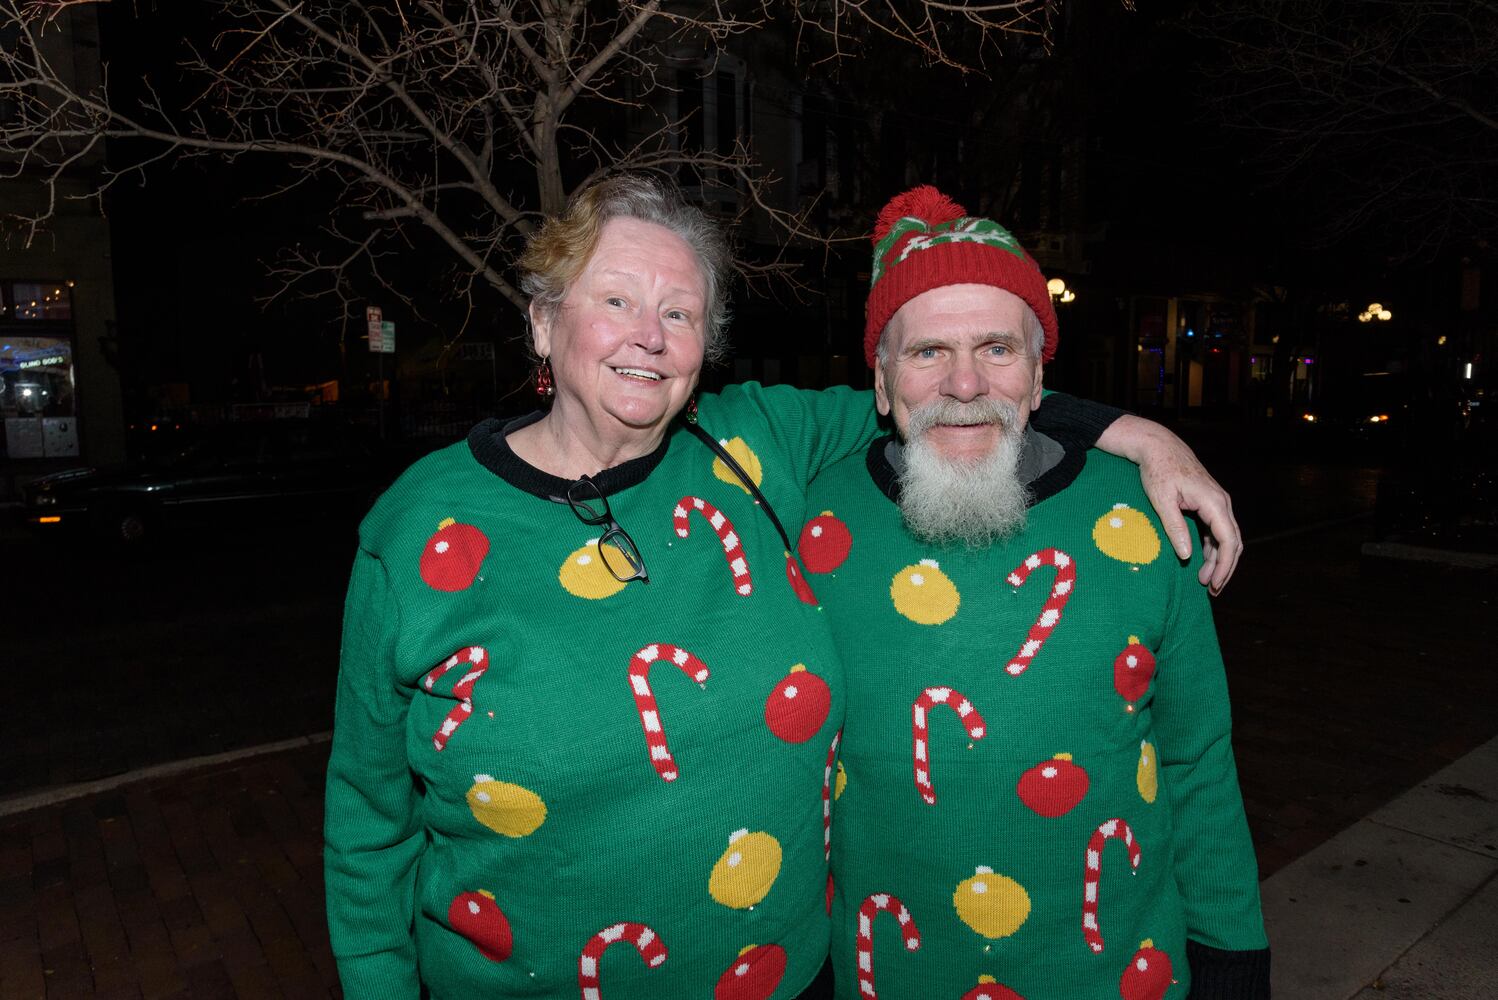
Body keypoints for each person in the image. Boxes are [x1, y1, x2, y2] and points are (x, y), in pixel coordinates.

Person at [323, 174, 1244, 1000]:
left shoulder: (755, 447)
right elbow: (368, 827)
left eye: (679, 313)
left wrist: (1139, 433)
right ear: (541, 321)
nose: (650, 335)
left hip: (784, 984)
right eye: (616, 300)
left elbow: (958, 399)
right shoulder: (418, 532)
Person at [804, 186, 1269, 1000]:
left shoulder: (1146, 514)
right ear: (879, 385)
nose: (963, 382)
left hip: (1116, 976)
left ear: (1039, 373)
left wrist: (1233, 962)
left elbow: (1197, 759)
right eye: (925, 353)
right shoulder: (810, 520)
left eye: (996, 348)